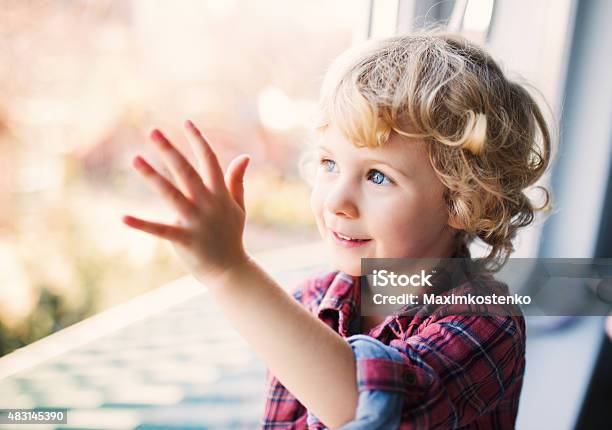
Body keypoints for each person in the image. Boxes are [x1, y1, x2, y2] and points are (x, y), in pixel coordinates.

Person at [122, 31, 552, 429]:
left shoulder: (486, 320)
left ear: (464, 201)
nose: (336, 202)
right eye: (329, 164)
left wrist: (229, 272)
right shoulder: (311, 301)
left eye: (378, 177)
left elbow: (367, 409)